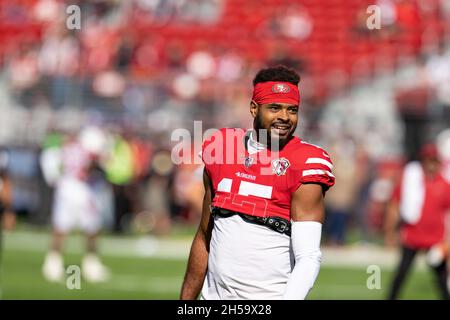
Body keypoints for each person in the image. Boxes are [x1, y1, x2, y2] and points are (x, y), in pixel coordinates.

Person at [180, 65, 335, 300]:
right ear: (254, 108)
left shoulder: (305, 162)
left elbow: (308, 257)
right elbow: (204, 236)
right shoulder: (222, 149)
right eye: (275, 108)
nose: (284, 117)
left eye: (292, 110)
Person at [42, 132, 110, 283]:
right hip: (82, 192)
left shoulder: (69, 147)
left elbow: (53, 162)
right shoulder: (88, 153)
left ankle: (53, 264)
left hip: (66, 189)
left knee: (61, 228)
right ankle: (90, 265)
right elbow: (88, 171)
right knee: (91, 229)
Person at [385, 143, 450, 300]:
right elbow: (394, 204)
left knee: (441, 279)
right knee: (401, 274)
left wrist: (447, 242)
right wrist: (390, 231)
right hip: (412, 236)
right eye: (427, 160)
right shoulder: (411, 182)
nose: (430, 164)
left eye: (433, 160)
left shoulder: (445, 185)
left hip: (435, 239)